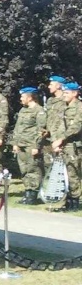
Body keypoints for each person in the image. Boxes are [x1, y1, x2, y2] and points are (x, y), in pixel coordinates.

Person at [12, 87, 46, 205]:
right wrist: (15, 143)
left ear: (30, 97)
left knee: (33, 169)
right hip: (21, 144)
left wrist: (36, 145)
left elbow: (41, 130)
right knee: (24, 169)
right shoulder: (23, 110)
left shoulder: (39, 110)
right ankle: (27, 192)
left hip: (31, 145)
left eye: (23, 96)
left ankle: (33, 194)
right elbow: (17, 128)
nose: (21, 98)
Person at [52, 82, 81, 211]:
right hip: (63, 145)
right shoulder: (64, 107)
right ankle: (66, 201)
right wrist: (56, 142)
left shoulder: (79, 107)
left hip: (73, 146)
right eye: (63, 93)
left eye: (67, 93)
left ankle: (75, 201)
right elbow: (58, 126)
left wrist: (61, 139)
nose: (64, 95)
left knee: (73, 173)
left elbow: (76, 127)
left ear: (75, 93)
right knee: (63, 174)